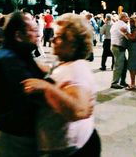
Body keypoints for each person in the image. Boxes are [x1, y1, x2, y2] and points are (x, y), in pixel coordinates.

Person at [22, 13, 101, 157]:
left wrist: (47, 87)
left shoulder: (77, 70)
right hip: (63, 147)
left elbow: (79, 111)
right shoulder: (65, 63)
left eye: (59, 37)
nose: (52, 39)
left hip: (69, 151)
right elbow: (57, 76)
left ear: (73, 43)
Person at [0, 11, 46, 156]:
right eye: (32, 31)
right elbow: (31, 93)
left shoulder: (19, 52)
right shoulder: (10, 59)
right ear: (18, 36)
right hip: (14, 137)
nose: (37, 35)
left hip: (18, 133)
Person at [122, 15, 136, 90]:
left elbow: (132, 38)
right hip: (134, 49)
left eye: (132, 21)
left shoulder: (135, 29)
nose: (130, 22)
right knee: (133, 66)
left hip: (135, 49)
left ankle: (133, 84)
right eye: (130, 21)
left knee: (132, 67)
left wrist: (125, 32)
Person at [110, 12, 130, 89]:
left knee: (124, 64)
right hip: (119, 46)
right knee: (119, 65)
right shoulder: (124, 25)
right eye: (127, 17)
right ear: (123, 17)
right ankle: (114, 83)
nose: (128, 18)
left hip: (114, 46)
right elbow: (128, 36)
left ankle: (122, 81)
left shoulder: (115, 24)